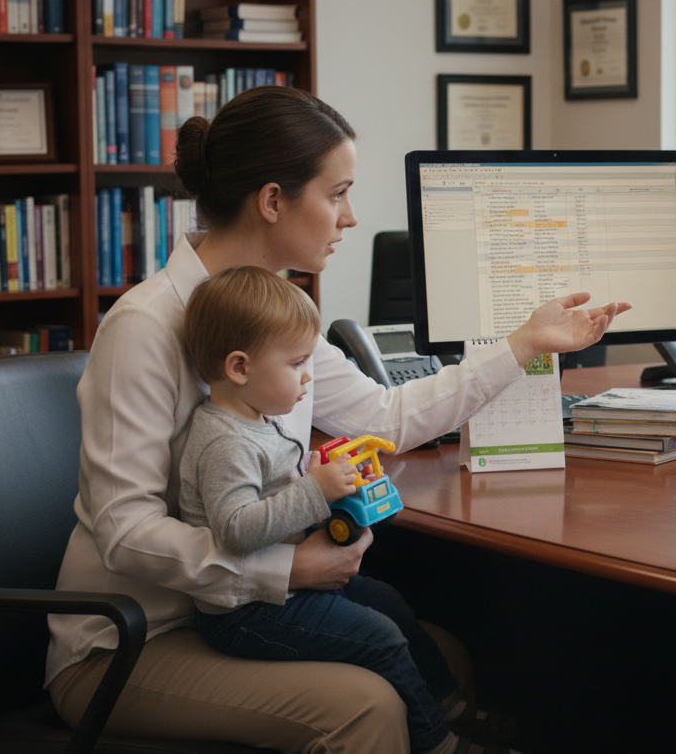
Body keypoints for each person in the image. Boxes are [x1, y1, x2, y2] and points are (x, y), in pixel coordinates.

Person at [47, 85, 631, 753]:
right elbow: (124, 532)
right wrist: (284, 571)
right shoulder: (145, 327)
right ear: (272, 201)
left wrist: (525, 342)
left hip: (242, 610)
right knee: (366, 708)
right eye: (337, 193)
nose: (350, 217)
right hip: (130, 642)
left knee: (446, 655)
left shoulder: (274, 314)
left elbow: (388, 415)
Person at [177, 265, 515, 754]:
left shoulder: (257, 419)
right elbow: (235, 529)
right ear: (239, 368)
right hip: (246, 612)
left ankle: (449, 706)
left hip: (283, 591)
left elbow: (274, 499)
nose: (307, 375)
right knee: (380, 637)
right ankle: (439, 742)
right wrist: (313, 490)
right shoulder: (223, 442)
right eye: (295, 364)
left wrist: (313, 479)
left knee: (392, 604)